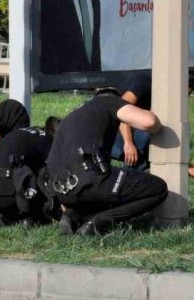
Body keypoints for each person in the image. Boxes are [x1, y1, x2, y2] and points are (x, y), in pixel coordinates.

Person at [42, 91, 167, 236]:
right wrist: (159, 126)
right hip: (88, 180)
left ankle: (74, 216)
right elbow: (148, 121)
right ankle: (98, 223)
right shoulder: (108, 101)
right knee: (159, 189)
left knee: (103, 190)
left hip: (60, 191)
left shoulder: (72, 116)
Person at [107, 72, 194, 179]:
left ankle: (139, 172)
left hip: (123, 130)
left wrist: (186, 167)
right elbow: (120, 110)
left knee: (161, 128)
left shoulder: (165, 96)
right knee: (149, 128)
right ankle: (134, 174)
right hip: (105, 130)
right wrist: (128, 143)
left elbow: (166, 136)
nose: (182, 98)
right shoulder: (144, 83)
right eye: (183, 93)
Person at [0, 117, 60, 226]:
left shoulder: (24, 133)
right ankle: (30, 216)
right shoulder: (49, 141)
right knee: (42, 173)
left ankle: (6, 214)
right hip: (6, 193)